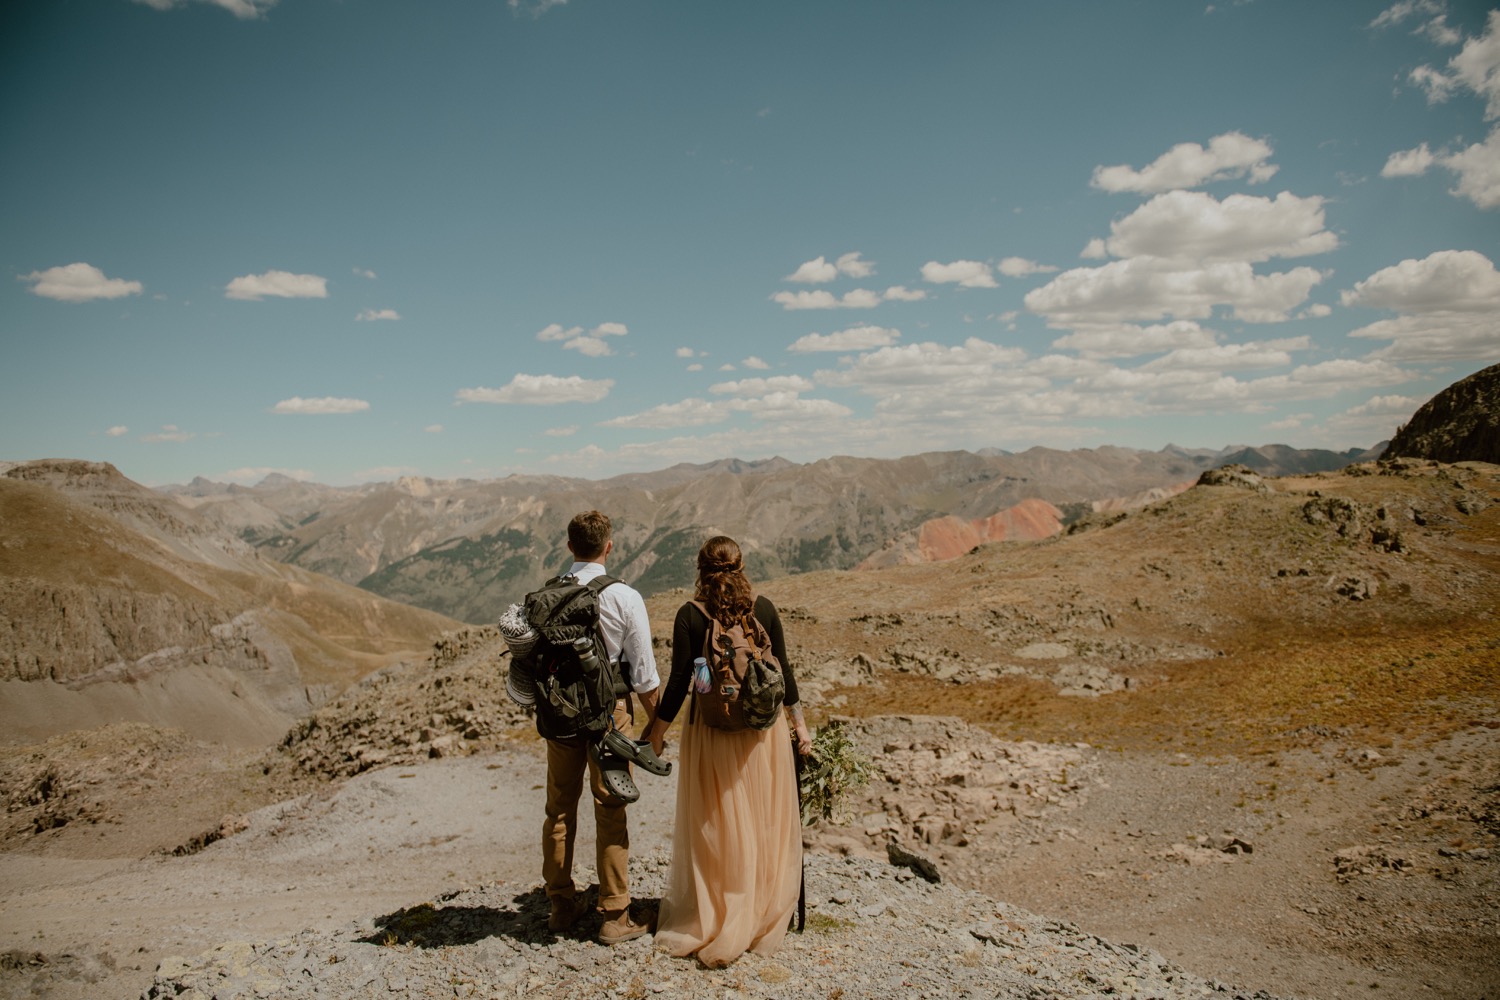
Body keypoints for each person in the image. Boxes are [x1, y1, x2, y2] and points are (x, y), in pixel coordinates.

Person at [643, 535, 813, 968]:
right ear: (740, 567)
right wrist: (800, 725)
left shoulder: (690, 616)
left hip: (713, 732)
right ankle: (760, 910)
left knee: (716, 822)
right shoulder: (766, 609)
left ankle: (719, 911)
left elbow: (684, 681)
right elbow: (784, 672)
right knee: (760, 819)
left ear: (700, 570)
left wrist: (657, 731)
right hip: (763, 734)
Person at [541, 511, 661, 945]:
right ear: (609, 547)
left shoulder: (548, 593)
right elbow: (644, 675)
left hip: (559, 717)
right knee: (610, 808)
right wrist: (657, 727)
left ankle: (560, 905)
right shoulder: (625, 597)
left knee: (559, 809)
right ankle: (614, 913)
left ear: (569, 546)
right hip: (610, 717)